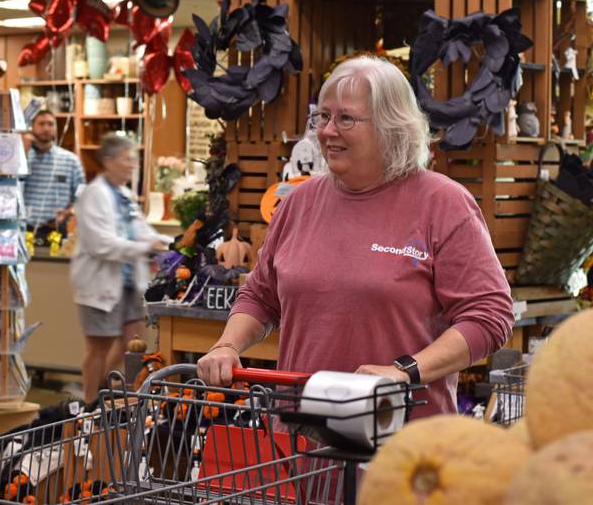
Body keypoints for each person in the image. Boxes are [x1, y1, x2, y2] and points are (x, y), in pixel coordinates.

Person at [197, 56, 514, 418]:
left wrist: (404, 371)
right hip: (301, 444)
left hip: (399, 447)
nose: (328, 131)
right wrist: (227, 345)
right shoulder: (299, 202)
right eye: (323, 117)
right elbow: (260, 296)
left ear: (390, 125)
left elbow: (489, 316)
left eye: (346, 118)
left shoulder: (443, 204)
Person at [71, 134, 171, 406]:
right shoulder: (93, 195)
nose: (132, 165)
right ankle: (89, 407)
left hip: (129, 284)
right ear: (108, 161)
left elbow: (141, 230)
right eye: (127, 159)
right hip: (99, 285)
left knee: (134, 345)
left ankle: (118, 398)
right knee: (99, 348)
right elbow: (100, 244)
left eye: (133, 160)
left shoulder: (125, 195)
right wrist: (144, 247)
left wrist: (171, 244)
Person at [23, 110, 85, 234]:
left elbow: (82, 194)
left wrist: (70, 211)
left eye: (51, 124)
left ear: (56, 128)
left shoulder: (70, 160)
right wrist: (23, 151)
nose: (46, 128)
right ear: (31, 127)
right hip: (24, 229)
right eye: (41, 124)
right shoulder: (22, 159)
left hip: (55, 230)